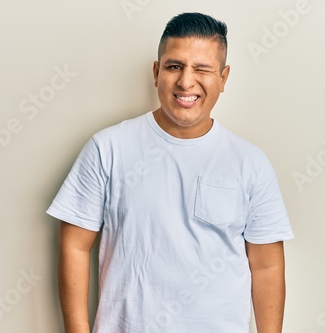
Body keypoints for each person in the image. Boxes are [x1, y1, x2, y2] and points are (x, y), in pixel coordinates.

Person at [47, 12, 294, 333]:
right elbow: (74, 246)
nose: (186, 81)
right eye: (174, 66)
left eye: (202, 69)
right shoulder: (107, 148)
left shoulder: (250, 162)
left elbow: (267, 266)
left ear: (223, 78)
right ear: (156, 72)